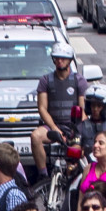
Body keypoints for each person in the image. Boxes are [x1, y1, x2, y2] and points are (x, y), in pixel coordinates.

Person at [30, 43, 83, 179]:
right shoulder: (45, 80)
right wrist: (55, 129)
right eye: (57, 58)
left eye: (63, 58)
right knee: (35, 136)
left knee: (78, 149)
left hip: (73, 127)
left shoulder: (79, 81)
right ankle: (43, 176)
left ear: (70, 60)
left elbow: (83, 111)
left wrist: (76, 132)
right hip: (53, 125)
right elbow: (42, 108)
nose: (60, 61)